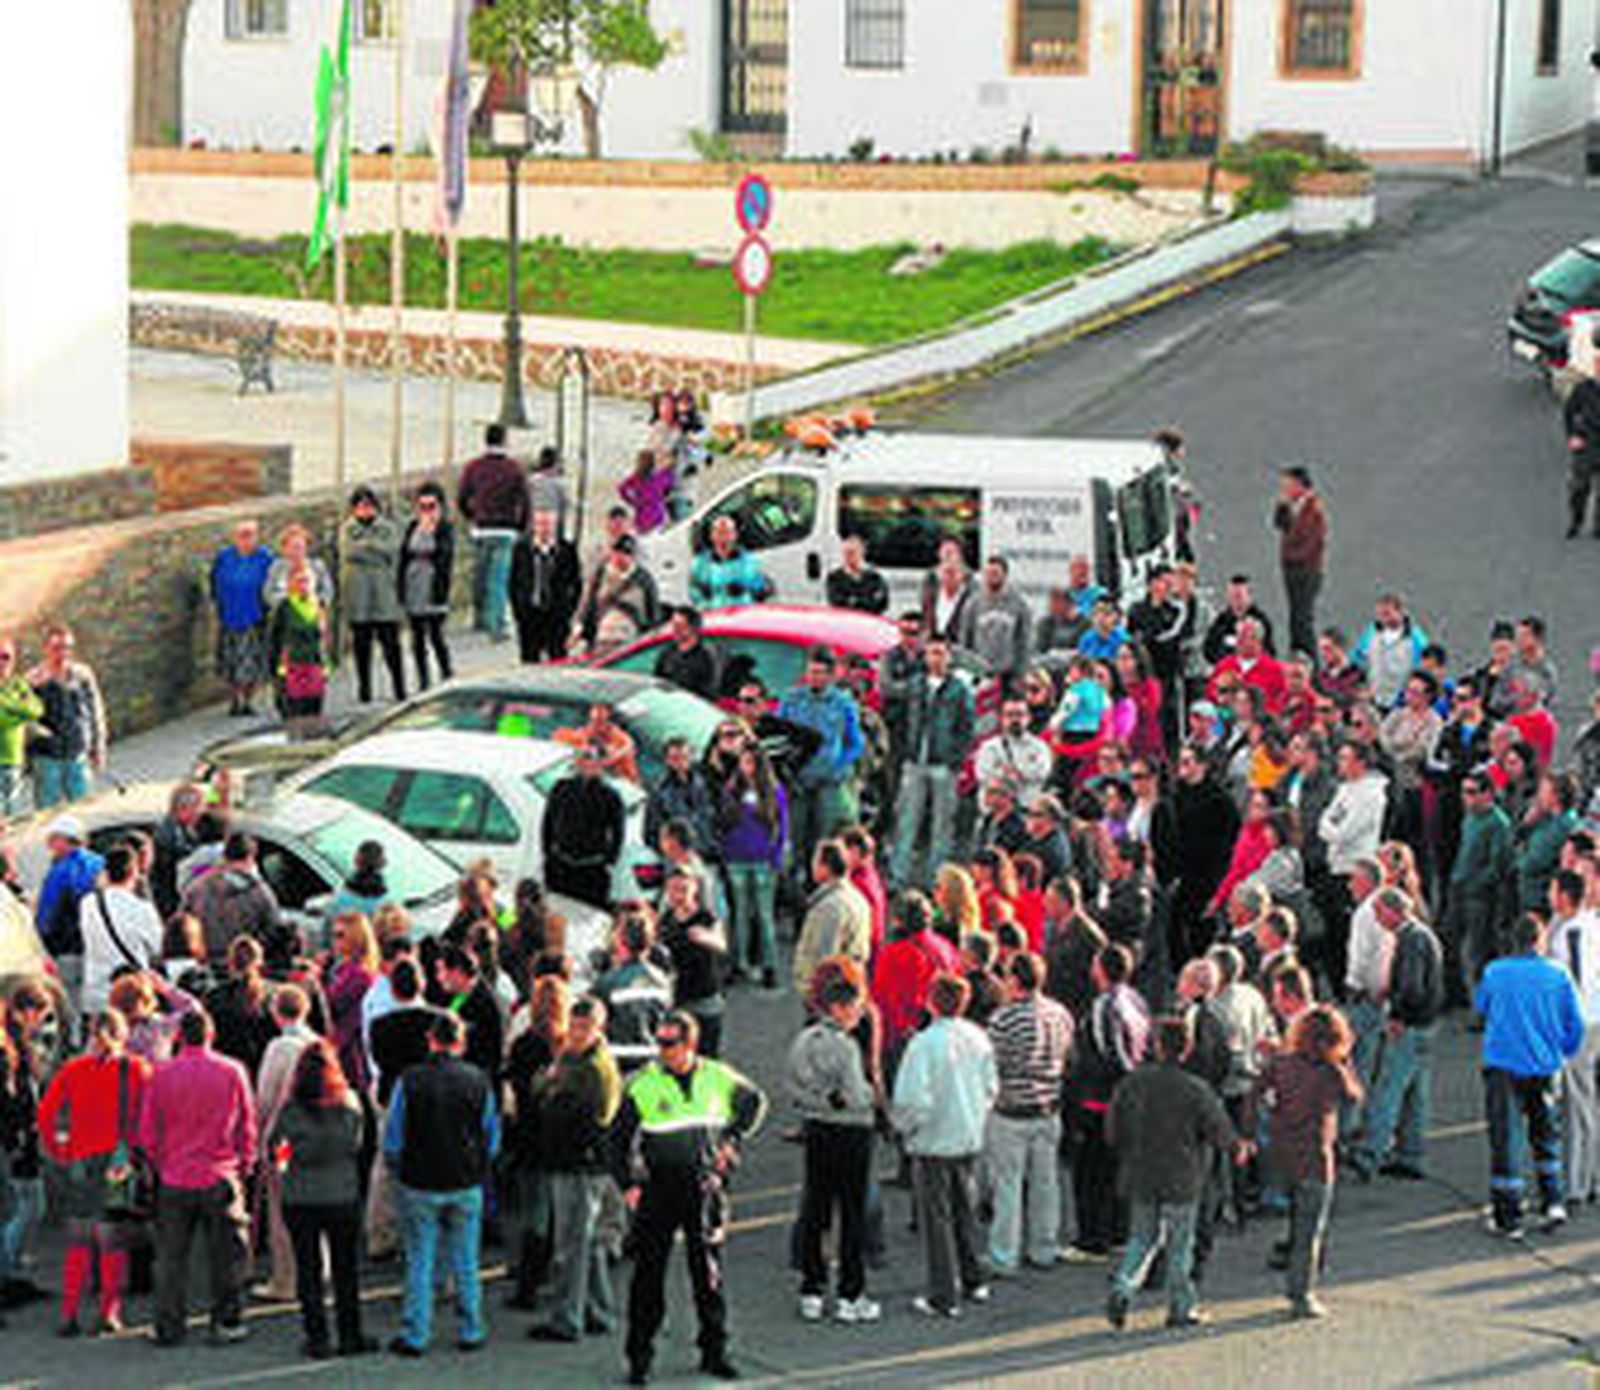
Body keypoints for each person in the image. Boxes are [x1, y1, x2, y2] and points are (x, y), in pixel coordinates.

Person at [610, 1010, 767, 1385]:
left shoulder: (717, 1076)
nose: (660, 1050)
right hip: (658, 1188)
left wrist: (732, 1140)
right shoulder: (641, 1084)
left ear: (689, 1044)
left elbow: (755, 1102)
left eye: (668, 1042)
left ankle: (715, 1351)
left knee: (708, 1274)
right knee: (648, 1277)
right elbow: (615, 1141)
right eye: (658, 1042)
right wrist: (628, 1184)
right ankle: (640, 1358)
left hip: (703, 1187)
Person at [1104, 1013, 1238, 1332]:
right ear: (1187, 1048)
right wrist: (1236, 1146)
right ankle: (1181, 1306)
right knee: (1180, 1244)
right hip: (1183, 1174)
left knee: (1141, 1238)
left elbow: (1112, 1130)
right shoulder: (1195, 1089)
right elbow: (1220, 1132)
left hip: (1140, 1170)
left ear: (1155, 1045)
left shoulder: (1132, 1083)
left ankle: (1123, 1285)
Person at [140, 1006, 258, 1348]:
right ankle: (226, 1321)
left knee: (171, 1258)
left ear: (178, 1037)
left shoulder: (161, 1074)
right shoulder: (232, 1071)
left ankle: (168, 1326)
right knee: (227, 1256)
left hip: (175, 1176)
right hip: (220, 1174)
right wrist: (244, 1165)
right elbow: (246, 1125)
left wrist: (161, 1164)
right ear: (211, 1034)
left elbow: (147, 1132)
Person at [384, 1011, 500, 1356]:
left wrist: (398, 1168)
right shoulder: (478, 1080)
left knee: (420, 1258)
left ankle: (416, 1333)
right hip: (465, 1179)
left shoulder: (410, 1080)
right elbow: (491, 1137)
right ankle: (471, 1327)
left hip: (420, 1179)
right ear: (460, 1042)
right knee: (466, 1257)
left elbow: (393, 1137)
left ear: (431, 1040)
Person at [37, 1009, 151, 1337]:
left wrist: (61, 1149)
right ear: (123, 1033)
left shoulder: (74, 1070)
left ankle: (69, 1313)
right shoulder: (136, 1069)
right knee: (112, 1242)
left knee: (79, 1242)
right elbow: (148, 1117)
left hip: (80, 1161)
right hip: (118, 1162)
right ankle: (108, 1313)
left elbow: (46, 1115)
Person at [892, 971, 997, 1319]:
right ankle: (973, 1280)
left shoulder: (922, 1044)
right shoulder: (978, 1038)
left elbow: (912, 1100)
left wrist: (904, 1129)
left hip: (933, 1142)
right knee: (964, 1212)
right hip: (968, 1137)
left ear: (930, 1001)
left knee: (937, 1220)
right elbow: (990, 1088)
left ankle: (943, 1294)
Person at [1247, 1005, 1361, 1319]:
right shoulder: (1331, 1071)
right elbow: (1354, 1096)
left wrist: (1255, 1129)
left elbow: (1254, 1093)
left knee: (1297, 1218)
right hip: (1315, 1155)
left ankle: (1291, 1269)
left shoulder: (1281, 1064)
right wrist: (1345, 1062)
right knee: (1309, 1229)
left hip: (1281, 1151)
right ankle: (1301, 1294)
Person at [1476, 913, 1585, 1237]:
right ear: (1540, 940)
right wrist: (1561, 1051)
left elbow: (1481, 1007)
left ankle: (1508, 1217)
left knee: (1505, 1139)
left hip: (1503, 1064)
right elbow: (1574, 1025)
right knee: (1546, 1135)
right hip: (1544, 1065)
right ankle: (1553, 1201)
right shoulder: (1558, 974)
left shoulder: (1495, 972)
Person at [525, 994, 622, 1343]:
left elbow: (563, 1110)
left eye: (586, 1028)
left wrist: (550, 1088)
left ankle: (568, 1319)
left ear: (600, 1028)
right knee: (589, 1242)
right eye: (575, 1026)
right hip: (576, 1159)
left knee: (570, 1245)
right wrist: (549, 1086)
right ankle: (599, 1310)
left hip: (579, 1162)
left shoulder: (593, 1069)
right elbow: (544, 1089)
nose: (578, 1033)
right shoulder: (575, 1058)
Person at [270, 1039, 376, 1359]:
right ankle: (350, 1333)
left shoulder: (290, 1112)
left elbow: (280, 1155)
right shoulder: (351, 1105)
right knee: (346, 1269)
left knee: (309, 1269)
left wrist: (289, 1169)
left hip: (300, 1197)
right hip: (341, 1193)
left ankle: (317, 1336)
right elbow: (361, 1146)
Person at [788, 958, 880, 1324]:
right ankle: (850, 1294)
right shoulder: (845, 1047)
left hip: (817, 1130)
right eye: (854, 1009)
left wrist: (821, 1100)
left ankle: (811, 1288)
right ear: (839, 1008)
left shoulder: (803, 1041)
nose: (858, 1015)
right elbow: (858, 1095)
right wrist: (869, 1098)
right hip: (852, 1133)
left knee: (816, 1208)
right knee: (852, 1214)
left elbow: (794, 1087)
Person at [986, 951, 1072, 1276]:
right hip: (1048, 1106)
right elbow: (1067, 1054)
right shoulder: (1059, 1013)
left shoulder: (1003, 1019)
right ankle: (1043, 1247)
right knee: (1046, 1182)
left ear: (1014, 980)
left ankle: (1004, 1254)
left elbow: (994, 1065)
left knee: (1008, 1186)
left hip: (1011, 1110)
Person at [1350, 889, 1445, 1182]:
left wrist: (1397, 1015)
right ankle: (1411, 1154)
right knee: (1415, 1093)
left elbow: (1412, 987)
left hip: (1410, 1025)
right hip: (1426, 1024)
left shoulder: (1411, 939)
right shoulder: (1421, 935)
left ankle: (1369, 1154)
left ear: (1394, 911)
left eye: (1379, 913)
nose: (1377, 920)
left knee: (1387, 1090)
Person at [1064, 943, 1150, 1261]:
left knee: (1091, 1171)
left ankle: (1092, 1239)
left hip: (1101, 1102)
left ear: (1101, 970)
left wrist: (1085, 1081)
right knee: (1117, 1169)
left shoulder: (1105, 1005)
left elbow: (1109, 1054)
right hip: (1129, 1099)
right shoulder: (1136, 1000)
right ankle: (1118, 1233)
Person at [892, 634, 975, 889]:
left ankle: (935, 879)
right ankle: (898, 876)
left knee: (942, 825)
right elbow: (902, 720)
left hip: (943, 764)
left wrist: (955, 760)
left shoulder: (959, 689)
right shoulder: (915, 685)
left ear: (949, 657)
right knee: (907, 821)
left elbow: (966, 727)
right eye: (931, 653)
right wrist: (904, 752)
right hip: (915, 760)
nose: (935, 658)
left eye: (940, 652)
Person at [778, 649, 866, 884]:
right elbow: (778, 735)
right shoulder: (792, 700)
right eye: (810, 672)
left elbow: (855, 743)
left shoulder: (842, 704)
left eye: (819, 673)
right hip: (798, 781)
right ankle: (794, 887)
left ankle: (822, 883)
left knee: (826, 838)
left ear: (829, 676)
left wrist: (838, 768)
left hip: (828, 782)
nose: (813, 677)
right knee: (796, 837)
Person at [1548, 869, 1600, 1203]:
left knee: (1577, 1106)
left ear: (1565, 896)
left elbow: (1577, 983)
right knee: (1590, 1103)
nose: (1548, 896)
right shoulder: (1591, 924)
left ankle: (1577, 1183)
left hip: (1582, 1026)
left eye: (1552, 891)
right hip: (1593, 1019)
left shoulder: (1573, 933)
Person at [719, 742, 788, 988]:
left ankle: (769, 966)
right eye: (743, 762)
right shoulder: (732, 788)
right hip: (736, 858)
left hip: (762, 860)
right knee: (740, 915)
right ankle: (740, 964)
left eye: (750, 762)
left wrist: (776, 857)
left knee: (764, 915)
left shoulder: (774, 791)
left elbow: (782, 827)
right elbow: (724, 820)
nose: (745, 767)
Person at [458, 422, 531, 641]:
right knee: (498, 580)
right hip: (505, 530)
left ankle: (479, 618)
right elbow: (525, 501)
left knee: (480, 576)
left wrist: (472, 516)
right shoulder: (513, 468)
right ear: (505, 441)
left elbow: (462, 498)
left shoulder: (474, 467)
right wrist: (521, 526)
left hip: (481, 528)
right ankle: (496, 625)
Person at [1446, 772, 1514, 1007]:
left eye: (1473, 792)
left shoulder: (1498, 823)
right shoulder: (1470, 818)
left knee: (1479, 952)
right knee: (1451, 942)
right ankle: (1456, 996)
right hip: (1459, 888)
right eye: (1464, 792)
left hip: (1480, 896)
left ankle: (1484, 1006)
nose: (1466, 798)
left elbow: (1498, 866)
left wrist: (1473, 882)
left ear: (1488, 794)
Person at [26, 623, 107, 809]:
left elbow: (96, 712)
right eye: (57, 648)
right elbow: (25, 719)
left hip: (77, 755)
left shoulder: (83, 674)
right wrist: (41, 735)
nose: (63, 653)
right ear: (45, 648)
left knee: (85, 812)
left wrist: (98, 746)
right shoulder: (33, 679)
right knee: (46, 816)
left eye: (68, 648)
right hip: (47, 759)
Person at [79, 842, 164, 1017]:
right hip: (134, 995)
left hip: (96, 992)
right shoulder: (142, 909)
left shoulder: (88, 904)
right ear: (134, 872)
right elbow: (158, 948)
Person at [342, 486, 407, 704]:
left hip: (384, 596)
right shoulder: (347, 529)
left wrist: (366, 548)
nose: (365, 509)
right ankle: (365, 689)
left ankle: (400, 688)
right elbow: (349, 551)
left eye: (369, 505)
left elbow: (391, 550)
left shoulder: (387, 528)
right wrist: (374, 550)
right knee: (362, 647)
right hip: (358, 598)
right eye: (360, 506)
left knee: (391, 645)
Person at [657, 869, 730, 1057]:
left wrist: (706, 938)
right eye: (673, 890)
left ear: (695, 889)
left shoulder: (706, 917)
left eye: (683, 889)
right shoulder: (665, 920)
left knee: (707, 1056)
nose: (678, 895)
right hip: (678, 999)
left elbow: (722, 944)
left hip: (705, 998)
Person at [593, 908, 674, 1074]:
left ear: (620, 942)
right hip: (652, 1059)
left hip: (617, 1060)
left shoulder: (608, 983)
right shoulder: (662, 981)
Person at [180, 831, 282, 963]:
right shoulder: (261, 894)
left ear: (224, 856)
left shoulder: (197, 889)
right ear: (251, 857)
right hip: (245, 968)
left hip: (206, 967)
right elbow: (274, 935)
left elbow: (182, 929)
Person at [34, 814, 104, 1002]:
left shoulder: (61, 871)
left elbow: (46, 917)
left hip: (68, 950)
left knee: (70, 1005)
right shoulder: (100, 864)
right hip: (101, 948)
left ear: (64, 840)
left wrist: (43, 945)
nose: (49, 846)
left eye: (52, 839)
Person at [209, 519, 275, 717]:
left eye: (250, 535)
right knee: (231, 661)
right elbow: (213, 582)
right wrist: (220, 604)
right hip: (230, 617)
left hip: (255, 617)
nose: (246, 540)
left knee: (251, 662)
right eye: (242, 535)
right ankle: (235, 699)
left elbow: (272, 584)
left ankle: (247, 700)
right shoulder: (224, 557)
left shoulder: (264, 558)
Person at [542, 753, 626, 908]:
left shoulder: (611, 796)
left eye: (593, 761)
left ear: (601, 765)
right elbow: (548, 822)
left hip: (592, 869)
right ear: (578, 763)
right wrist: (548, 854)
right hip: (561, 865)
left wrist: (609, 860)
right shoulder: (561, 788)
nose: (589, 765)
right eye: (585, 759)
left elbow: (618, 832)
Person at [794, 841, 873, 1000]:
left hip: (830, 997)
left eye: (815, 861)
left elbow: (824, 958)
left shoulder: (829, 908)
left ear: (826, 867)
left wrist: (815, 993)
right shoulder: (858, 899)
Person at [399, 482, 455, 690]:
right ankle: (423, 679)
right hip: (414, 581)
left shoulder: (444, 528)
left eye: (431, 506)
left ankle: (446, 672)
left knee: (436, 634)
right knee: (417, 637)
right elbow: (404, 554)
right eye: (422, 506)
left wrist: (431, 531)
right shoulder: (412, 526)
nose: (426, 511)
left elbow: (445, 555)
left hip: (433, 584)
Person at [510, 508, 582, 665]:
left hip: (556, 615)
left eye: (548, 524)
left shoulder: (566, 550)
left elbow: (576, 583)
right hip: (530, 614)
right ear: (534, 526)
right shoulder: (522, 548)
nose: (544, 529)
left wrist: (569, 610)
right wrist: (519, 610)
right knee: (529, 660)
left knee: (558, 659)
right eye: (540, 524)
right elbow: (514, 582)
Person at [267, 563, 331, 736]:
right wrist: (274, 670)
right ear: (290, 584)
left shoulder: (319, 605)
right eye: (299, 581)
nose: (303, 585)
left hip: (314, 664)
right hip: (292, 666)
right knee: (294, 711)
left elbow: (324, 638)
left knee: (314, 709)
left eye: (307, 581)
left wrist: (327, 666)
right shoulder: (284, 608)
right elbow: (274, 639)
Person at [1273, 466, 1329, 659]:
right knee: (1295, 618)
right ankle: (1297, 655)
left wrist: (1289, 557)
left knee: (1303, 619)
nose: (1284, 489)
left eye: (1288, 485)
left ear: (1299, 485)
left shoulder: (1313, 509)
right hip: (1293, 570)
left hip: (1306, 571)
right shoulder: (1294, 506)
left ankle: (1308, 660)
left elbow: (1313, 543)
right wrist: (1282, 507)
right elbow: (1280, 525)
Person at [574, 536, 658, 654]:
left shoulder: (644, 579)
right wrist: (580, 629)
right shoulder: (601, 574)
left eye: (625, 554)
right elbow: (589, 603)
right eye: (617, 553)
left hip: (629, 638)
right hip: (602, 636)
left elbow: (652, 612)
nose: (620, 558)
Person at [958, 555, 1032, 685]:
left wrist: (1021, 673)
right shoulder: (972, 604)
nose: (991, 576)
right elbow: (965, 640)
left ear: (1005, 575)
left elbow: (1024, 640)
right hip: (980, 672)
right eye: (988, 573)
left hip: (1009, 674)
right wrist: (967, 670)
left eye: (996, 573)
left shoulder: (1019, 604)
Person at [0, 637, 43, 818]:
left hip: (14, 761)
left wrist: (7, 704)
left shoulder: (18, 684)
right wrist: (19, 715)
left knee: (12, 815)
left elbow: (36, 710)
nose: (1, 662)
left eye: (6, 656)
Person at [690, 516, 772, 609]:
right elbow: (694, 592)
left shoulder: (750, 561)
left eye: (728, 533)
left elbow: (763, 588)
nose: (724, 537)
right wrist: (706, 604)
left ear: (735, 535)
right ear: (712, 536)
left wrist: (744, 586)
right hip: (716, 615)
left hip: (745, 613)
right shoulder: (700, 563)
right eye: (720, 533)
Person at [1563, 358, 1600, 537]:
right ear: (1596, 365)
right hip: (1587, 443)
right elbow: (1569, 412)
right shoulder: (1583, 389)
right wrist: (1572, 436)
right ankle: (1577, 519)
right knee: (1579, 486)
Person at [653, 606, 718, 700]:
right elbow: (656, 684)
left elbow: (707, 696)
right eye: (673, 625)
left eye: (679, 626)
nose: (675, 630)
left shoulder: (705, 659)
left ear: (693, 628)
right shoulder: (666, 654)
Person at [920, 538, 975, 644]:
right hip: (935, 640)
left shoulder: (971, 583)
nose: (947, 556)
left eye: (951, 552)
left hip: (959, 641)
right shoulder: (930, 579)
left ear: (960, 555)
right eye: (944, 552)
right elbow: (925, 609)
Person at [826, 534, 889, 614]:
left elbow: (882, 603)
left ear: (862, 552)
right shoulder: (834, 578)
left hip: (870, 622)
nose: (849, 556)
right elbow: (837, 603)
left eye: (852, 552)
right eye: (846, 552)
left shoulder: (875, 577)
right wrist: (866, 600)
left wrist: (853, 600)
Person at [619, 449, 677, 536]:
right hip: (652, 520)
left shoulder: (658, 476)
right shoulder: (660, 476)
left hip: (648, 520)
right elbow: (622, 489)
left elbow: (622, 489)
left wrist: (634, 501)